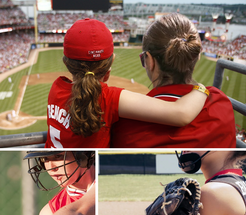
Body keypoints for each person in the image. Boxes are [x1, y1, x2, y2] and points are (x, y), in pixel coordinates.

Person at [45, 18, 209, 148]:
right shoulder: (110, 98)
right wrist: (202, 89)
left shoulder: (56, 88)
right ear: (111, 62)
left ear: (66, 63)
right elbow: (181, 114)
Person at [111, 13, 236, 148]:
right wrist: (200, 88)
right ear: (196, 57)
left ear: (150, 61)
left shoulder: (124, 124)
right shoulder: (221, 102)